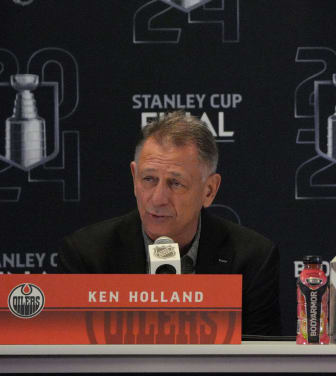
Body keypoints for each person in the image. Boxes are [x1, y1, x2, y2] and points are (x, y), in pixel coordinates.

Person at [58, 111, 280, 336]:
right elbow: (73, 365)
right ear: (134, 177)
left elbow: (259, 364)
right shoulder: (87, 256)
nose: (157, 199)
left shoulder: (252, 259)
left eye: (176, 183)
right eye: (149, 179)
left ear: (209, 190)